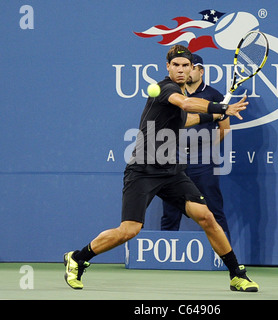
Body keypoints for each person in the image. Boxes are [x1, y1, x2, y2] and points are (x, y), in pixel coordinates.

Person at [63, 44, 259, 292]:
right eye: (175, 65)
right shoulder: (166, 88)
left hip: (171, 171)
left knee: (206, 217)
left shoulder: (178, 93)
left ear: (191, 69)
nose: (180, 70)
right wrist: (221, 108)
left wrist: (213, 116)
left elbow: (185, 119)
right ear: (168, 67)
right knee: (129, 231)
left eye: (185, 66)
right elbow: (186, 106)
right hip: (143, 170)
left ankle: (237, 274)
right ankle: (78, 258)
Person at [161, 54, 231, 241]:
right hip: (174, 160)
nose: (186, 71)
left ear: (201, 71)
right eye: (182, 66)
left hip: (203, 162)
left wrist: (206, 149)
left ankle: (223, 257)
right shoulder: (172, 94)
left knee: (214, 209)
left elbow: (224, 129)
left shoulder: (214, 96)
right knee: (170, 211)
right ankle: (165, 258)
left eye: (191, 67)